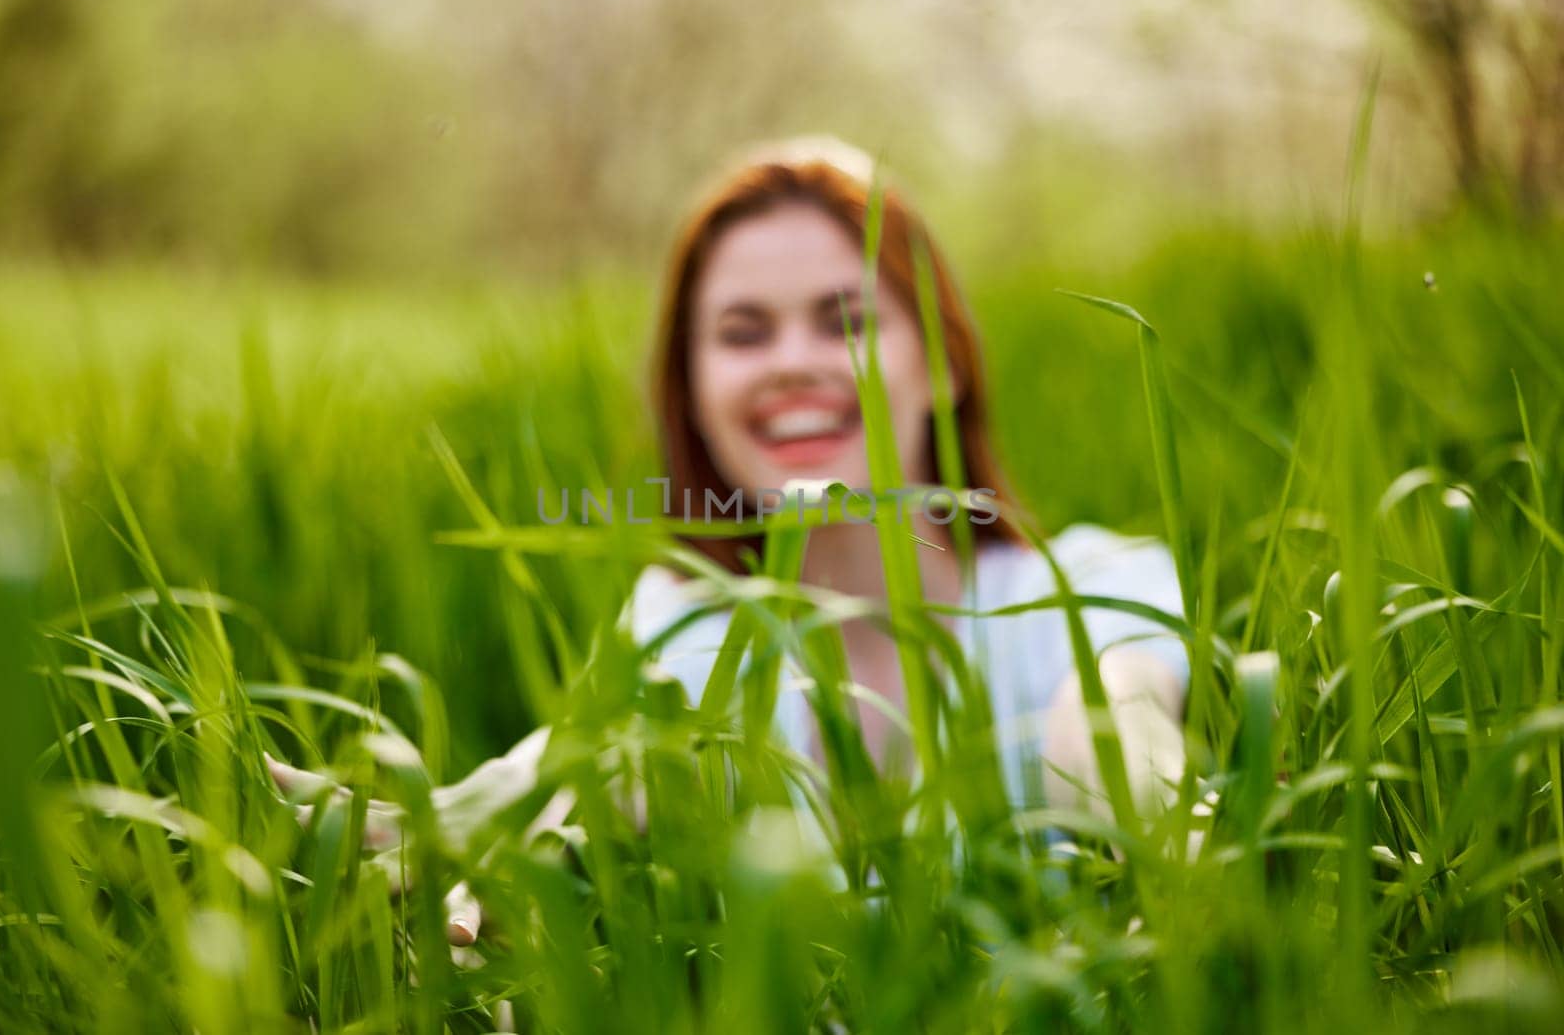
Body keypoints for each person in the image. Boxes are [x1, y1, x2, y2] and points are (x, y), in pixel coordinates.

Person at [268, 135, 1190, 947]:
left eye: (848, 322)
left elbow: (1114, 717)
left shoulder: (1090, 594)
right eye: (744, 333)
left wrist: (1155, 817)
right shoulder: (680, 629)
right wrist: (507, 822)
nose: (792, 360)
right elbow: (620, 753)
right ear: (694, 390)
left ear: (943, 360)